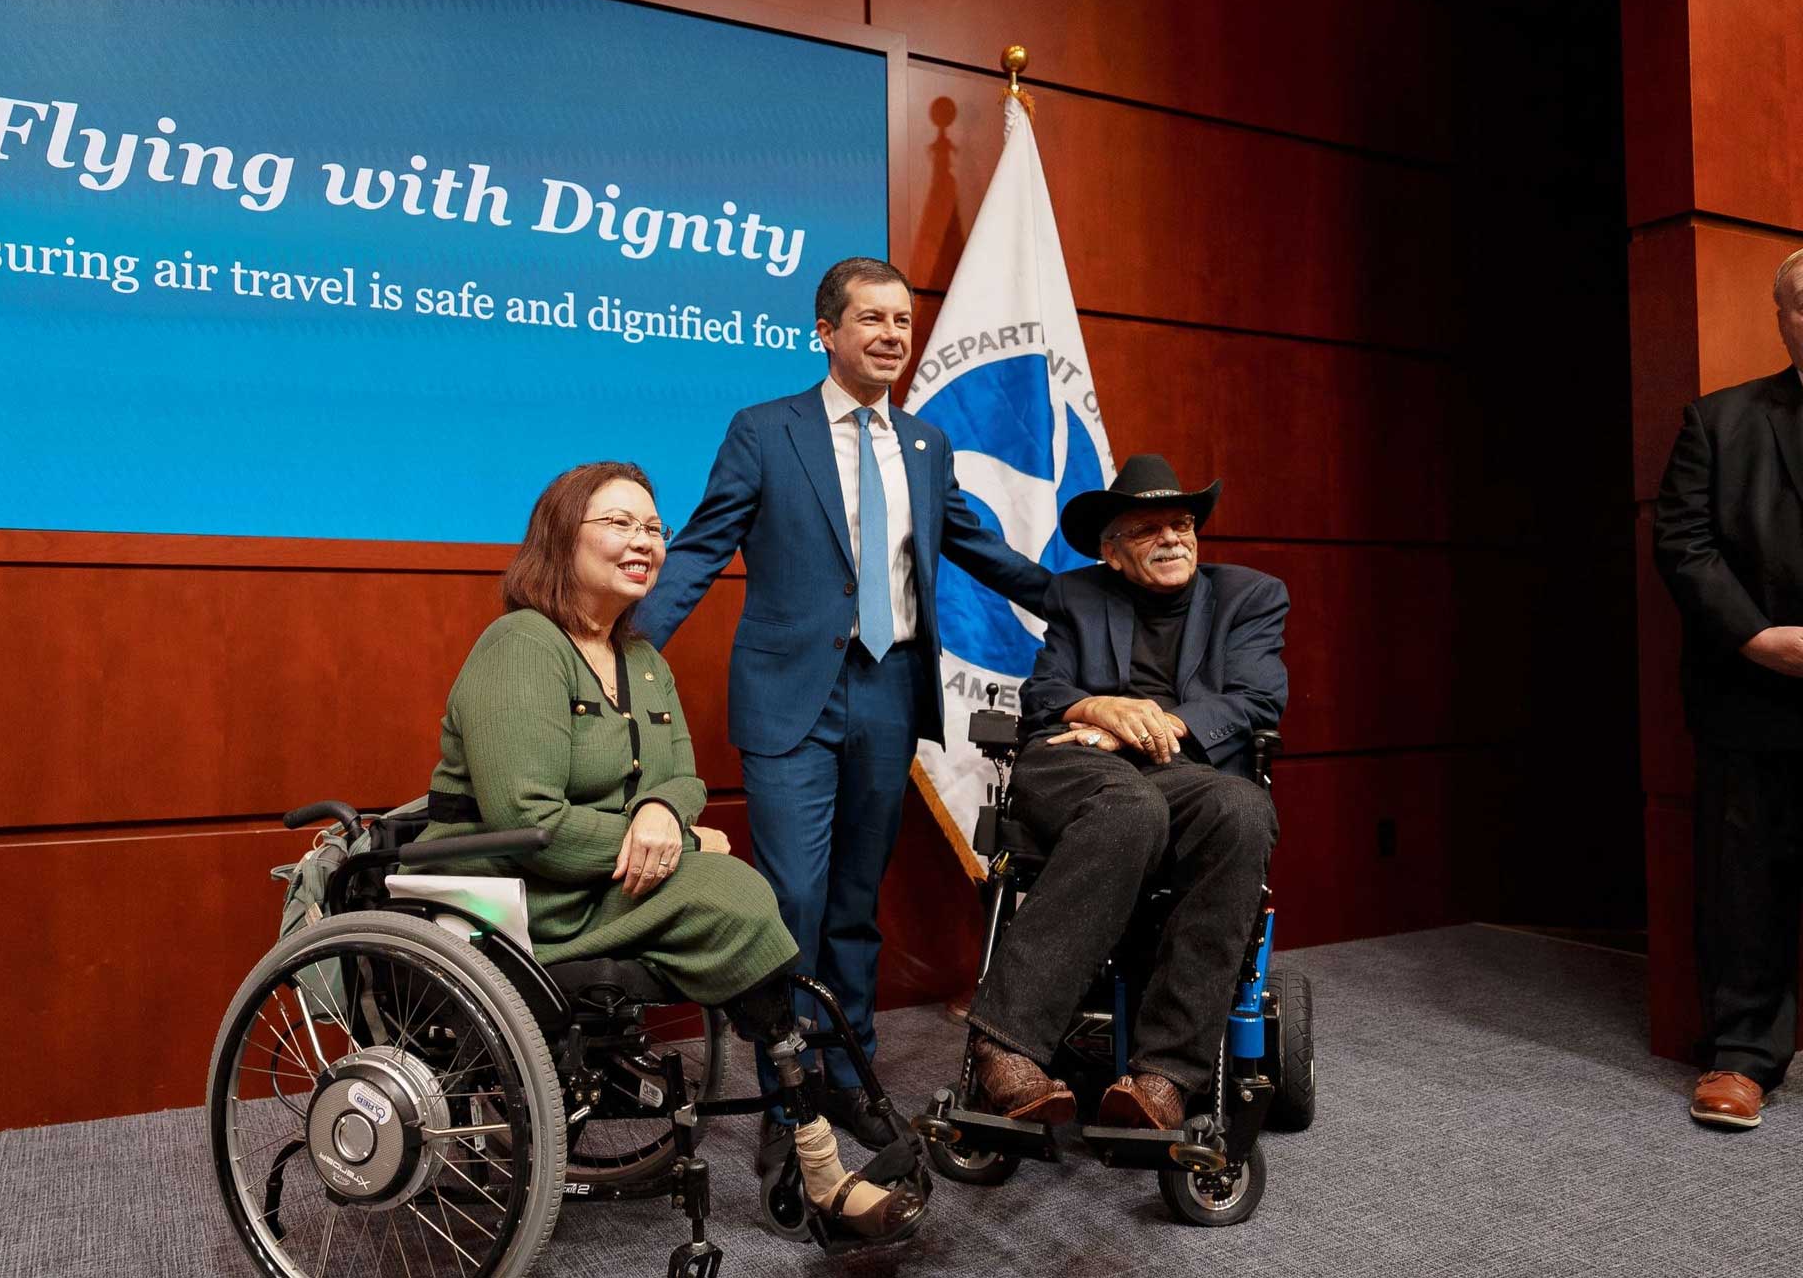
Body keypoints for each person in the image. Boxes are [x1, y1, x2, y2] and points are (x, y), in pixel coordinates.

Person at [417, 460, 924, 1239]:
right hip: (510, 892)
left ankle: (815, 1140)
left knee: (730, 888)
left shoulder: (642, 657)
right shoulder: (521, 644)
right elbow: (527, 816)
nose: (644, 541)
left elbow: (683, 774)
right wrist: (673, 835)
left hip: (600, 881)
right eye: (618, 523)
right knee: (734, 892)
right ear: (560, 537)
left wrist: (662, 807)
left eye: (654, 528)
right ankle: (819, 1154)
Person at [635, 257, 1052, 1156]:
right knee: (794, 901)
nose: (892, 335)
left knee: (858, 902)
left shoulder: (925, 445)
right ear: (825, 331)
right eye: (871, 319)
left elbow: (978, 547)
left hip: (889, 693)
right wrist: (617, 652)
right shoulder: (764, 430)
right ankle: (792, 1099)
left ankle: (850, 1070)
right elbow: (702, 549)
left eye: (903, 320)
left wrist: (1080, 599)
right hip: (791, 702)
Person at [962, 455, 1287, 1129]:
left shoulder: (1251, 596)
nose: (1173, 537)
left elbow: (1256, 699)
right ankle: (1005, 1043)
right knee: (1130, 806)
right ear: (1112, 552)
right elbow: (1047, 696)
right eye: (1148, 529)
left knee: (1244, 810)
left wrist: (1154, 726)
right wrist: (1103, 710)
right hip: (1073, 762)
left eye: (1183, 523)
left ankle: (1166, 1075)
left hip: (1184, 763)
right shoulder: (1077, 595)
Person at [1654, 248, 1803, 1131]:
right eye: (1802, 305)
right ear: (1781, 316)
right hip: (1752, 693)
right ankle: (1743, 1057)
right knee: (1745, 884)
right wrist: (1758, 639)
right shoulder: (1718, 421)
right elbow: (1683, 545)